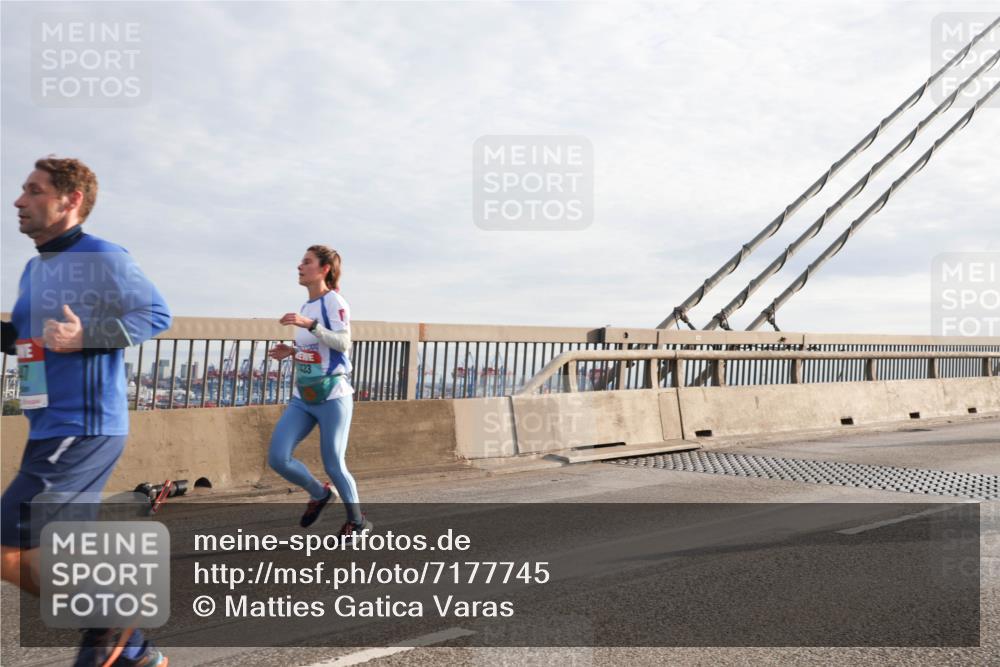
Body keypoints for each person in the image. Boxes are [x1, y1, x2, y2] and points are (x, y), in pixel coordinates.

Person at [0, 157, 172, 666]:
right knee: (20, 552)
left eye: (33, 190)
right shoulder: (36, 268)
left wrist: (86, 337)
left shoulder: (104, 256)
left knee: (10, 541)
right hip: (50, 427)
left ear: (70, 200)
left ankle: (111, 620)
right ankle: (133, 648)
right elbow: (30, 343)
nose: (19, 200)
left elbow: (156, 313)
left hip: (84, 425)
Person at [267, 245, 371, 535]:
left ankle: (358, 522)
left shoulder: (334, 302)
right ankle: (319, 494)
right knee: (278, 457)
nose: (300, 266)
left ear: (324, 269)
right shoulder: (305, 307)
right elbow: (316, 348)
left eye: (307, 262)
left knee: (334, 464)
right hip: (304, 397)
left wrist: (309, 325)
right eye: (301, 261)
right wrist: (291, 350)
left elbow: (342, 343)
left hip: (333, 396)